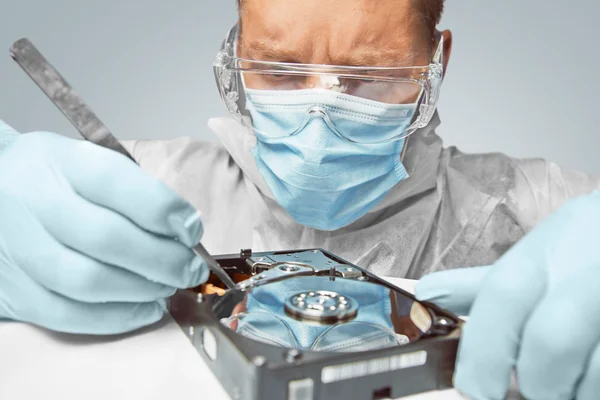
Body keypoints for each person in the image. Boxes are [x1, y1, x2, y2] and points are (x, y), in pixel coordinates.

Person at [0, 0, 598, 398]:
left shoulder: (549, 209)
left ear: (436, 61)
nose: (318, 124)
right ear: (234, 53)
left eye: (370, 75)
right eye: (279, 71)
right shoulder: (128, 185)